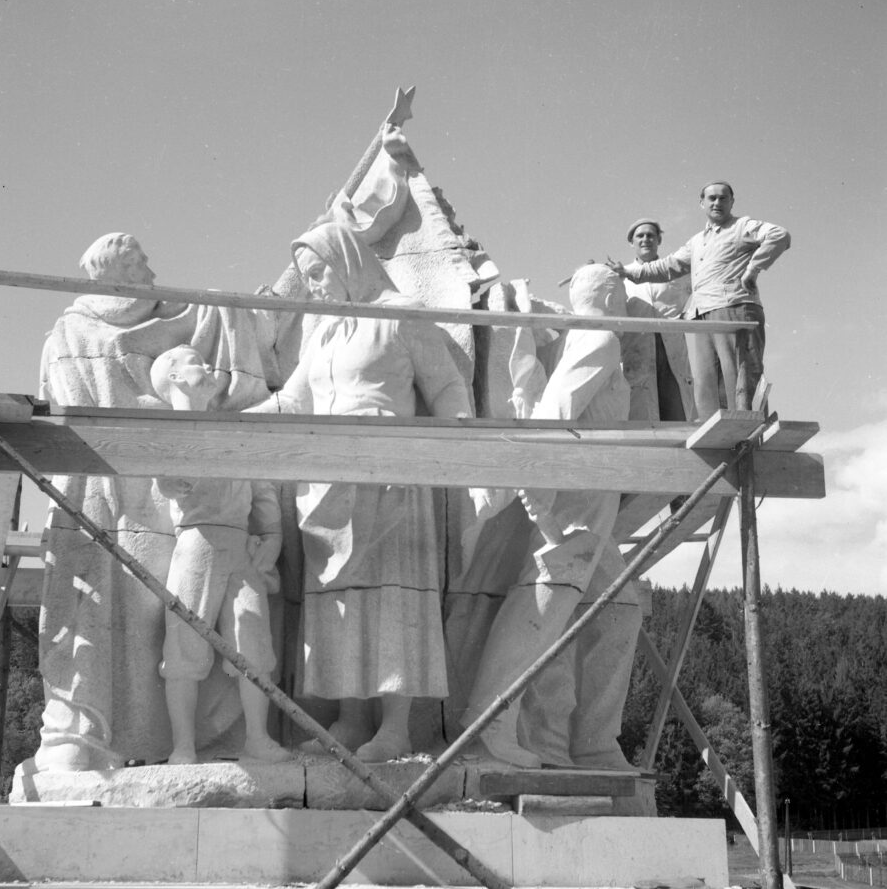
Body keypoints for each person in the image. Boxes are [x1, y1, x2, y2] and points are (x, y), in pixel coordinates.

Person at [32, 233, 269, 771]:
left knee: (221, 635)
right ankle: (90, 730)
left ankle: (206, 742)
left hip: (179, 516)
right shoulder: (72, 331)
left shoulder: (182, 318)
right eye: (139, 263)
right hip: (100, 488)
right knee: (108, 614)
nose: (150, 270)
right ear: (113, 270)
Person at [249, 221, 473, 762]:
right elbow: (293, 401)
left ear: (347, 259)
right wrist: (227, 420)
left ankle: (394, 728)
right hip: (328, 484)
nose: (315, 282)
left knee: (395, 596)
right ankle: (350, 720)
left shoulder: (399, 315)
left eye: (320, 270)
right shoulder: (324, 330)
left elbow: (447, 390)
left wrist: (466, 467)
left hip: (390, 472)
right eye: (307, 275)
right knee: (339, 603)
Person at [464, 265, 638, 768]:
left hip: (595, 492)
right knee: (543, 598)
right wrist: (535, 484)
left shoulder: (584, 336)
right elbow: (558, 410)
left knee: (621, 608)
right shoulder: (599, 339)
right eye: (622, 295)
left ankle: (590, 741)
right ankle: (491, 719)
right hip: (577, 493)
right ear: (609, 295)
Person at [150, 346, 290, 765]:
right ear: (174, 377)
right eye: (194, 360)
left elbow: (261, 490)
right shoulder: (171, 431)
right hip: (197, 543)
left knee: (254, 644)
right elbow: (168, 481)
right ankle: (183, 746)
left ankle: (257, 739)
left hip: (241, 545)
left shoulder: (234, 430)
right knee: (184, 646)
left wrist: (273, 537)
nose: (207, 366)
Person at [607, 183, 790, 418]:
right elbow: (668, 266)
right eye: (711, 198)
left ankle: (750, 429)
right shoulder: (697, 242)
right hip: (702, 315)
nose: (717, 203)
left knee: (739, 375)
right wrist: (628, 273)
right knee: (708, 382)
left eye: (723, 198)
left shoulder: (741, 227)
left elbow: (779, 235)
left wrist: (753, 269)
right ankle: (718, 432)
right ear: (701, 203)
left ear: (732, 202)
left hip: (733, 307)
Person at [619, 219, 694, 422]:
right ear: (631, 243)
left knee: (677, 416)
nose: (645, 240)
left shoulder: (677, 273)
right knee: (640, 417)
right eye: (640, 236)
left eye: (650, 235)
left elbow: (700, 292)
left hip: (671, 351)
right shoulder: (620, 276)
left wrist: (689, 315)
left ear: (659, 240)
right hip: (636, 350)